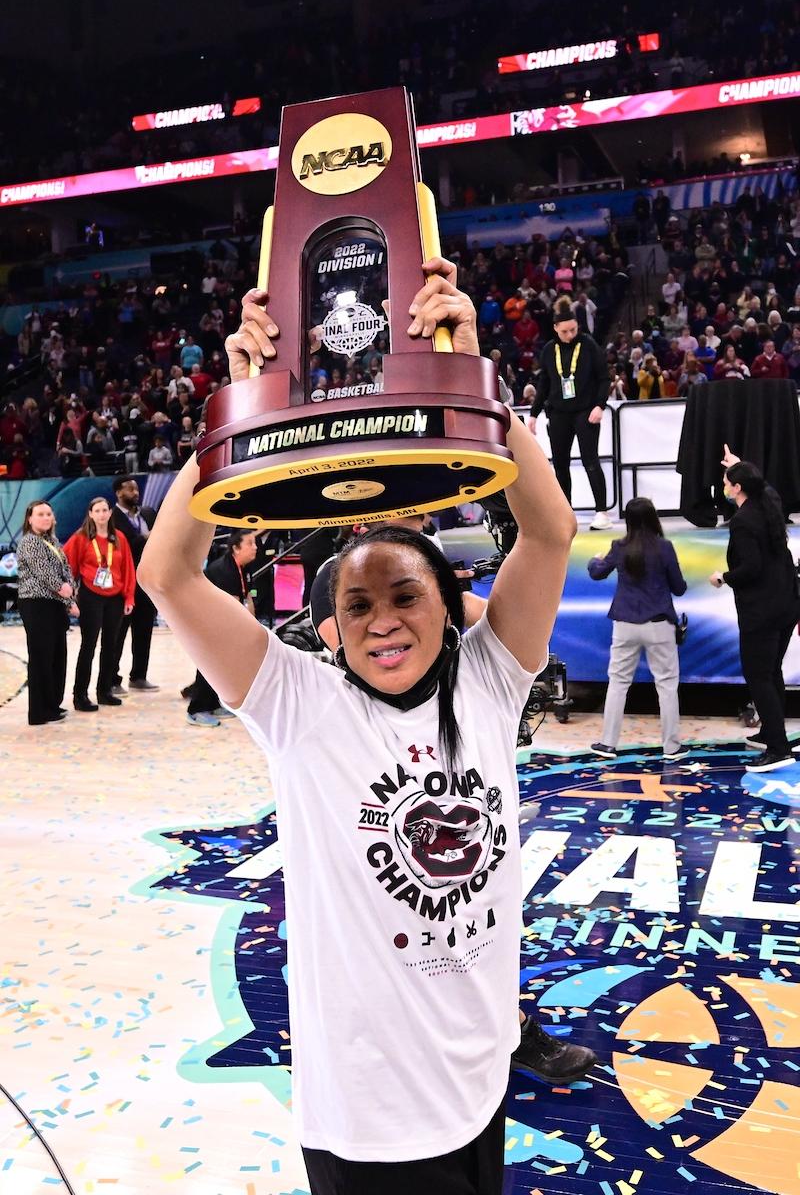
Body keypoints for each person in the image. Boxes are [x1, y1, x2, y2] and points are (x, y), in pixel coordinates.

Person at [138, 257, 582, 1194]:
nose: (383, 619)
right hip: (366, 1123)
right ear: (329, 628)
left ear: (449, 599)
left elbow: (545, 533)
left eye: (405, 593)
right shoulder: (298, 703)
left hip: (479, 1084)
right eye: (359, 603)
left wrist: (475, 378)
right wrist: (238, 408)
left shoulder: (490, 682)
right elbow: (169, 576)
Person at [309, 512, 597, 1087]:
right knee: (407, 913)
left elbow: (500, 619)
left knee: (475, 908)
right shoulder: (334, 576)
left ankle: (503, 1027)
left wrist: (446, 596)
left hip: (447, 732)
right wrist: (436, 603)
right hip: (375, 754)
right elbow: (355, 648)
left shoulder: (427, 563)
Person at [709, 448, 800, 773]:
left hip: (762, 611)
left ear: (736, 488)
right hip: (787, 603)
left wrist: (723, 577)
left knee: (759, 675)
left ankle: (778, 748)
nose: (723, 484)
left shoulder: (744, 522)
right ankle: (772, 733)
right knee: (771, 670)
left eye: (726, 480)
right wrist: (738, 466)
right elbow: (766, 487)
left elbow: (751, 567)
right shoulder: (769, 503)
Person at [588, 498, 688, 761]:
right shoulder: (665, 548)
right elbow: (679, 588)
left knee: (618, 683)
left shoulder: (618, 547)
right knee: (666, 685)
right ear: (654, 518)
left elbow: (597, 573)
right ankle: (671, 747)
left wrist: (593, 560)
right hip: (659, 625)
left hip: (625, 625)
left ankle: (608, 743)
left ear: (628, 521)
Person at [530, 295, 612, 530]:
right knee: (561, 465)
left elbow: (604, 378)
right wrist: (534, 414)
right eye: (565, 331)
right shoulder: (548, 350)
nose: (570, 335)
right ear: (555, 328)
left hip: (586, 411)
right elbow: (544, 384)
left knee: (591, 461)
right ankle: (566, 514)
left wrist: (600, 405)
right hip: (558, 413)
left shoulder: (587, 344)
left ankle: (602, 513)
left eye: (573, 329)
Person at [63, 497, 135, 712]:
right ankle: (80, 695)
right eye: (98, 510)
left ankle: (104, 691)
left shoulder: (119, 538)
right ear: (91, 514)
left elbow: (128, 569)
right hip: (91, 596)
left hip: (115, 598)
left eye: (105, 510)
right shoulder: (81, 538)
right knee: (89, 645)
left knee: (111, 646)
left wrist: (129, 597)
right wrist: (69, 596)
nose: (102, 514)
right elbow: (67, 566)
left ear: (110, 513)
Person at [186, 530, 259, 727]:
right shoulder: (224, 571)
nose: (255, 547)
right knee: (209, 664)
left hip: (221, 621)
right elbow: (232, 608)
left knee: (222, 667)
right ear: (236, 548)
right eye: (250, 543)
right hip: (205, 620)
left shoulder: (242, 567)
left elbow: (247, 598)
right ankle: (196, 709)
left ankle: (211, 702)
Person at [16, 501, 77, 725]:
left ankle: (52, 705)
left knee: (56, 656)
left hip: (54, 604)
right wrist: (63, 589)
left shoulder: (53, 541)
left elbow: (66, 569)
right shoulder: (30, 542)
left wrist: (69, 594)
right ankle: (38, 712)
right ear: (30, 519)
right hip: (36, 604)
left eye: (48, 514)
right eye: (40, 514)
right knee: (41, 657)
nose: (45, 517)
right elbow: (44, 571)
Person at [111, 477, 159, 695]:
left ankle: (139, 676)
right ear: (118, 492)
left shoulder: (147, 514)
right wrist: (146, 537)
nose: (135, 492)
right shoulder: (111, 518)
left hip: (146, 582)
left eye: (136, 488)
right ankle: (112, 679)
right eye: (130, 489)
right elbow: (124, 546)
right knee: (118, 634)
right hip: (123, 583)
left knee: (144, 631)